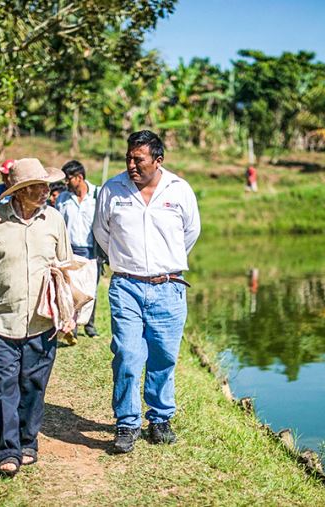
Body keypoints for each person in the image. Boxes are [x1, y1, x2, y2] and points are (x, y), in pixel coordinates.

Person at [0, 158, 73, 477]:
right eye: (39, 187)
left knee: (33, 385)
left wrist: (68, 309)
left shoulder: (54, 220)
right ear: (19, 192)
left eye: (47, 185)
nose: (47, 191)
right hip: (0, 320)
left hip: (41, 322)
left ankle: (27, 441)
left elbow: (65, 265)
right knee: (4, 385)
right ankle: (8, 451)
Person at [93, 130, 201, 454]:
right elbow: (102, 232)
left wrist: (164, 264)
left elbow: (190, 233)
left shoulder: (180, 191)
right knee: (127, 353)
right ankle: (127, 423)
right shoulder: (112, 189)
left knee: (164, 356)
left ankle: (159, 420)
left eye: (137, 159)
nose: (131, 164)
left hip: (168, 287)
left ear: (158, 160)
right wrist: (130, 263)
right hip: (126, 285)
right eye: (128, 157)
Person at [56, 160, 100, 338]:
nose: (66, 183)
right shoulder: (63, 199)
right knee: (71, 291)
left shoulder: (97, 195)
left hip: (91, 252)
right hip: (70, 251)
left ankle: (89, 325)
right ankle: (70, 326)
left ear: (79, 177)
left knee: (90, 291)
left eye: (68, 179)